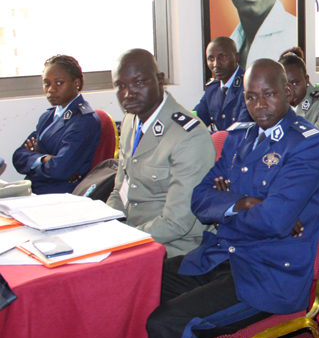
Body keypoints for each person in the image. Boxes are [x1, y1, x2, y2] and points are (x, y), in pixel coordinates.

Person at [146, 59, 319, 338]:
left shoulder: (309, 145)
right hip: (222, 255)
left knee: (168, 324)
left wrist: (232, 204)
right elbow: (199, 201)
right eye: (250, 96)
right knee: (140, 282)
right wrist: (244, 203)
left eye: (269, 94)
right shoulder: (239, 136)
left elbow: (275, 220)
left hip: (268, 274)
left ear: (289, 92)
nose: (260, 104)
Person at [106, 49, 215, 257]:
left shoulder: (189, 136)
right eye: (120, 86)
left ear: (159, 80)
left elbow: (176, 224)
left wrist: (122, 238)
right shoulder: (131, 120)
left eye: (139, 83)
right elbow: (120, 190)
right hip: (134, 235)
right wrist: (105, 223)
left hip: (173, 248)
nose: (129, 93)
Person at [13, 55, 100, 194]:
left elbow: (60, 170)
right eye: (47, 83)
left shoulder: (84, 121)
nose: (51, 89)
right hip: (34, 189)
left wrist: (35, 158)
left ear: (76, 83)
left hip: (58, 194)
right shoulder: (47, 117)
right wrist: (46, 158)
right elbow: (18, 157)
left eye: (59, 83)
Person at [193, 37, 251, 132]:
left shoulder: (249, 86)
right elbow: (195, 121)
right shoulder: (212, 89)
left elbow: (242, 131)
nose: (216, 64)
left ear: (237, 57)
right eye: (211, 59)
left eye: (222, 57)